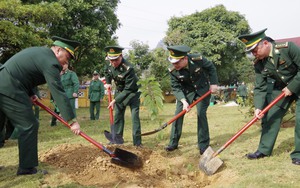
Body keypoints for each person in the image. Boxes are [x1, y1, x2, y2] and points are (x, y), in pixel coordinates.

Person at [0, 36, 81, 175]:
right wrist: (72, 120)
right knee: (29, 124)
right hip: (10, 87)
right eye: (66, 58)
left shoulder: (41, 53)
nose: (66, 62)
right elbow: (58, 91)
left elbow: (23, 72)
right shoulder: (51, 62)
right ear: (58, 50)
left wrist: (31, 93)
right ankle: (27, 168)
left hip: (4, 82)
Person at [238, 28, 300, 165]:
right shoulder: (259, 63)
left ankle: (299, 153)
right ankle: (264, 150)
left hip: (298, 83)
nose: (254, 54)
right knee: (270, 116)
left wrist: (292, 87)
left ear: (265, 43)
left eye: (255, 50)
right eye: (251, 52)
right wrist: (258, 107)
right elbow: (260, 86)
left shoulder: (288, 48)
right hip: (282, 89)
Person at [165, 45, 218, 154]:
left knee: (201, 114)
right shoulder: (173, 70)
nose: (174, 65)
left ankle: (203, 145)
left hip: (202, 90)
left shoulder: (198, 59)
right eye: (173, 63)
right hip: (186, 92)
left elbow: (211, 68)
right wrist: (184, 101)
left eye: (177, 63)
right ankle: (173, 143)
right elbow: (176, 88)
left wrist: (213, 83)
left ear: (185, 58)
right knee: (178, 114)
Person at [104, 46, 142, 146]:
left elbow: (128, 89)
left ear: (121, 56)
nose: (113, 63)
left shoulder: (129, 68)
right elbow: (107, 72)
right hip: (119, 91)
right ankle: (116, 139)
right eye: (111, 60)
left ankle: (137, 143)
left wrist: (115, 100)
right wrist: (108, 83)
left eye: (116, 60)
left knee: (135, 117)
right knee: (118, 116)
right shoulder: (109, 63)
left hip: (133, 92)